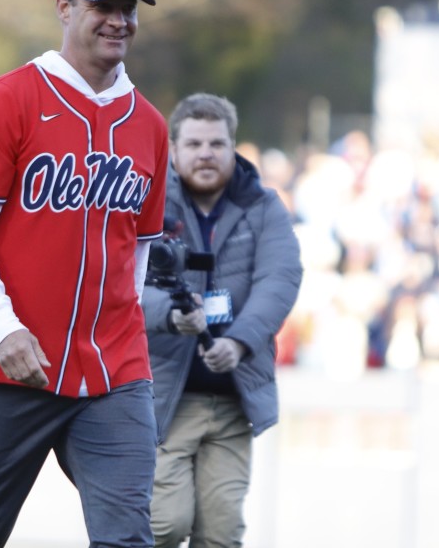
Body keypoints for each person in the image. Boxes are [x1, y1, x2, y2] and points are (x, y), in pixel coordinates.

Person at [0, 0, 169, 548]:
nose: (118, 19)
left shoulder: (149, 125)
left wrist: (129, 337)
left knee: (127, 539)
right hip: (9, 365)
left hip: (113, 372)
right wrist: (1, 325)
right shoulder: (6, 99)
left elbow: (138, 252)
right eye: (103, 5)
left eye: (129, 7)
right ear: (64, 8)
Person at [142, 93, 302, 548]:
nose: (206, 153)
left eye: (216, 143)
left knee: (222, 533)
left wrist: (240, 341)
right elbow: (121, 283)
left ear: (233, 147)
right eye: (193, 144)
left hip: (233, 400)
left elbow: (281, 278)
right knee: (163, 525)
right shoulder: (148, 202)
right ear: (173, 149)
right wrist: (172, 315)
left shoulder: (265, 206)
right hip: (162, 399)